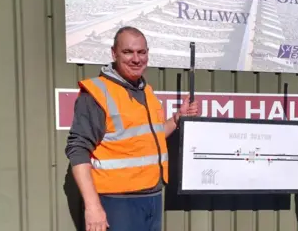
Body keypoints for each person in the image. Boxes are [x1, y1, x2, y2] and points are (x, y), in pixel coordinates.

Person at [65, 26, 199, 231]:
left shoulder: (146, 91)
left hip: (152, 198)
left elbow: (149, 138)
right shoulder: (97, 93)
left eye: (141, 52)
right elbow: (78, 150)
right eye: (128, 52)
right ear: (114, 53)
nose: (136, 59)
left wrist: (177, 119)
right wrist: (93, 207)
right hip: (116, 203)